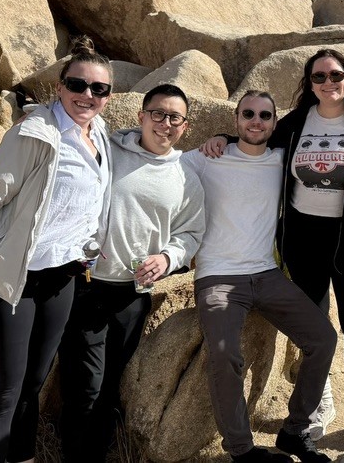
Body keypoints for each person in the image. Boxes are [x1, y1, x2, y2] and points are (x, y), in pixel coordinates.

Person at [202, 49, 344, 441]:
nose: (328, 83)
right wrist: (222, 138)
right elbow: (258, 134)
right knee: (314, 323)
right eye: (319, 77)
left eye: (335, 75)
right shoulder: (296, 123)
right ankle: (321, 400)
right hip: (303, 239)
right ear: (309, 84)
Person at [0, 37, 113, 463]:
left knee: (32, 385)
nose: (87, 95)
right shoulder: (34, 133)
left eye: (98, 89)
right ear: (60, 86)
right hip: (13, 278)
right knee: (2, 394)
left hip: (61, 277)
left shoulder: (100, 135)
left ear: (108, 96)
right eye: (78, 85)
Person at [183, 91, 338, 463]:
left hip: (266, 274)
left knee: (323, 338)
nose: (256, 121)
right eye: (248, 114)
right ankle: (242, 450)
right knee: (224, 356)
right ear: (235, 119)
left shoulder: (281, 161)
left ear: (274, 122)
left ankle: (295, 430)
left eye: (264, 115)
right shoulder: (207, 159)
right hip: (218, 277)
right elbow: (158, 159)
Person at [58, 84, 206, 462]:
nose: (165, 123)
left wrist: (168, 258)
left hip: (133, 293)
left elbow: (191, 233)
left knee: (110, 386)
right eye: (158, 113)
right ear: (141, 116)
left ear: (185, 127)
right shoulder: (108, 150)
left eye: (175, 118)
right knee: (86, 383)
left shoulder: (187, 175)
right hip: (86, 283)